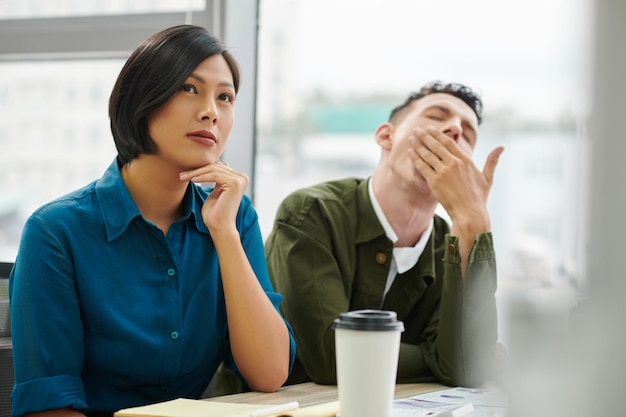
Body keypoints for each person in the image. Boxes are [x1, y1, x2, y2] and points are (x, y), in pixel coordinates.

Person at [8, 25, 295, 416]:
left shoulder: (232, 216)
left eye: (225, 97)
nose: (211, 110)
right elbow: (51, 405)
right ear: (143, 99)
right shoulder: (56, 232)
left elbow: (270, 373)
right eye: (190, 89)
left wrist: (225, 235)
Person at [265, 81, 504, 388]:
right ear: (386, 136)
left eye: (467, 135)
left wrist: (474, 220)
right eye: (436, 116)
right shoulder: (313, 213)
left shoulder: (451, 243)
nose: (455, 130)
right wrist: (438, 359)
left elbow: (468, 368)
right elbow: (331, 358)